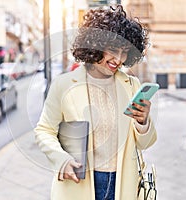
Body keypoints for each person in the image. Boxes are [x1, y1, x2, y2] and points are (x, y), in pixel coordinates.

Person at [34, 5, 157, 200]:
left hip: (123, 183)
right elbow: (44, 130)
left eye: (124, 52)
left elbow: (145, 143)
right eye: (113, 50)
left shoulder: (132, 85)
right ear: (95, 45)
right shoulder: (64, 85)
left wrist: (142, 122)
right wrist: (61, 159)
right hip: (79, 184)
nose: (118, 59)